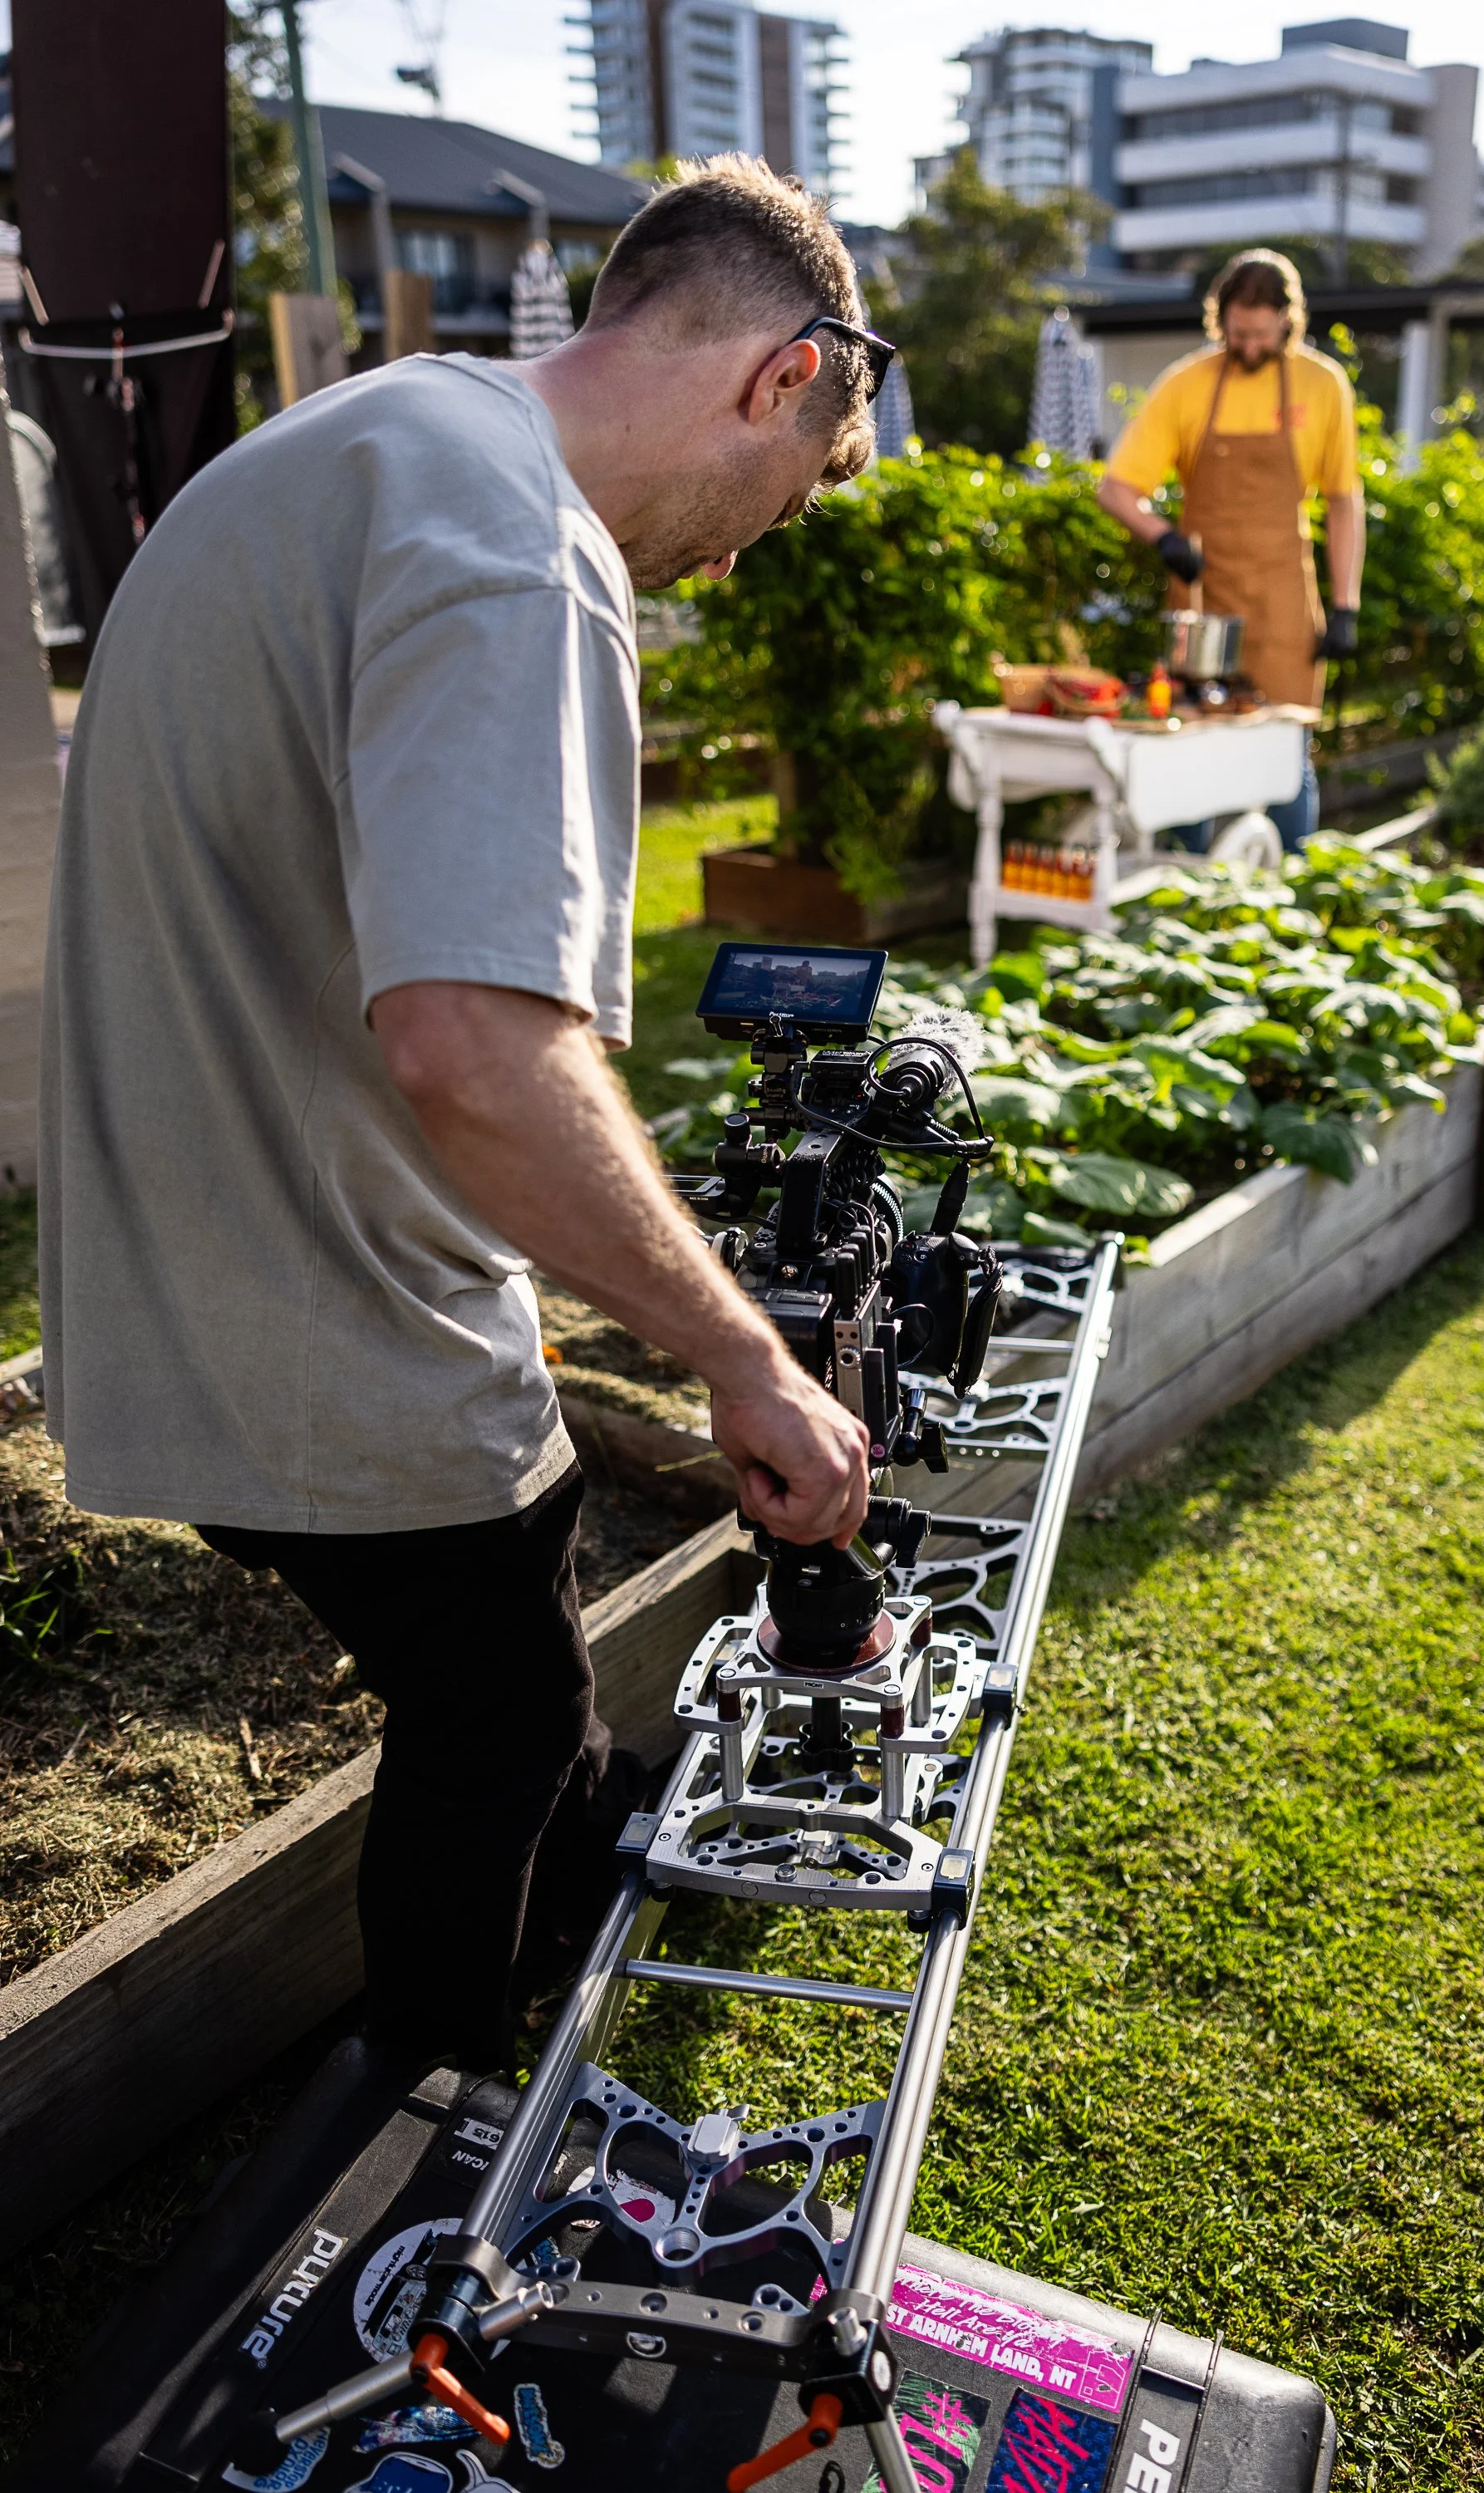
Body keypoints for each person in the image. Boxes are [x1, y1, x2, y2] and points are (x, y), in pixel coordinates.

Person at [38, 159, 891, 2076]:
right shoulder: (523, 547)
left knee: (511, 1686)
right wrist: (743, 1362)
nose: (746, 552)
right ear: (782, 376)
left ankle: (565, 1931)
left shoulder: (363, 436)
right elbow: (473, 1049)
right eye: (798, 492)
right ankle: (420, 2142)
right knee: (496, 1708)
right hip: (318, 1312)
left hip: (184, 1263)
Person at [1096, 248, 1364, 852]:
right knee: (1190, 753)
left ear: (1287, 324)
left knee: (1283, 751)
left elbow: (1344, 502)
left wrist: (1344, 607)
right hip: (1202, 602)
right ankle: (1187, 889)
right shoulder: (1187, 384)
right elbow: (1115, 489)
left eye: (1260, 336)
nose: (1247, 347)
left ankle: (1290, 885)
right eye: (1236, 334)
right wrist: (1162, 537)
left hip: (1282, 602)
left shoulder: (1323, 386)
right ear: (1220, 323)